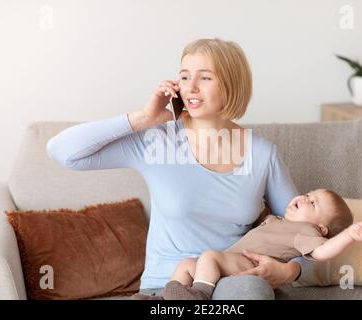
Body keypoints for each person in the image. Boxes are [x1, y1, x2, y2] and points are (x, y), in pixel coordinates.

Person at [46, 38, 303, 300]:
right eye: (184, 76)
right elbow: (63, 152)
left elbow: (305, 229)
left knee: (251, 290)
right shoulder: (158, 141)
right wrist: (143, 118)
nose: (190, 87)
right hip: (166, 287)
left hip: (231, 284)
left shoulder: (262, 154)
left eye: (205, 78)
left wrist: (290, 271)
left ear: (231, 85)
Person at [134, 188, 362, 300]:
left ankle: (198, 297)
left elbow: (322, 252)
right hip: (229, 263)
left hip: (248, 265)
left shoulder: (305, 232)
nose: (304, 198)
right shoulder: (276, 220)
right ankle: (165, 301)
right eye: (308, 194)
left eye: (313, 203)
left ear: (321, 228)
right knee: (187, 263)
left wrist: (349, 235)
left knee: (209, 256)